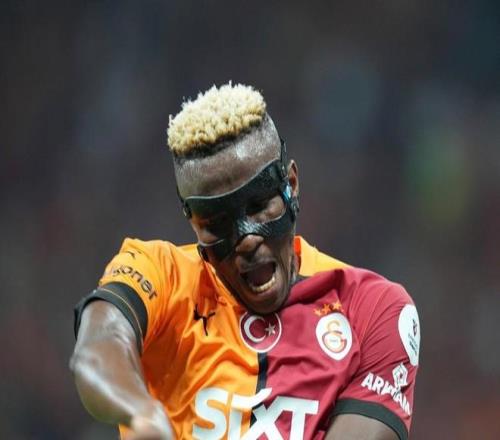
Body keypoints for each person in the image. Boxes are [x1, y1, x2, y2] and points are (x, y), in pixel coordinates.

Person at [70, 82, 420, 440]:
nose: (248, 239)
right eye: (218, 223)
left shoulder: (372, 309)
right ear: (195, 226)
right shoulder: (160, 273)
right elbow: (98, 348)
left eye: (258, 206)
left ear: (291, 185)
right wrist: (141, 412)